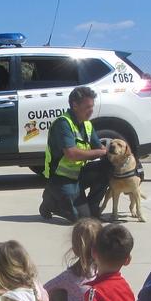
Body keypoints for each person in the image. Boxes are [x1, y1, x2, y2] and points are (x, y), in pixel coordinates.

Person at [39, 86, 111, 222]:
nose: (91, 110)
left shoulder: (87, 125)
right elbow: (71, 154)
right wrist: (101, 151)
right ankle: (50, 200)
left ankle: (93, 209)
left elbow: (100, 147)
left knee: (107, 166)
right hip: (61, 178)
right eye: (87, 107)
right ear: (75, 105)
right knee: (79, 218)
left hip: (78, 175)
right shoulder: (63, 123)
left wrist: (115, 154)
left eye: (92, 106)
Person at [44, 218, 101, 301]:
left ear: (74, 249)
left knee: (55, 293)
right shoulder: (106, 273)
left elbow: (44, 290)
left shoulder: (69, 277)